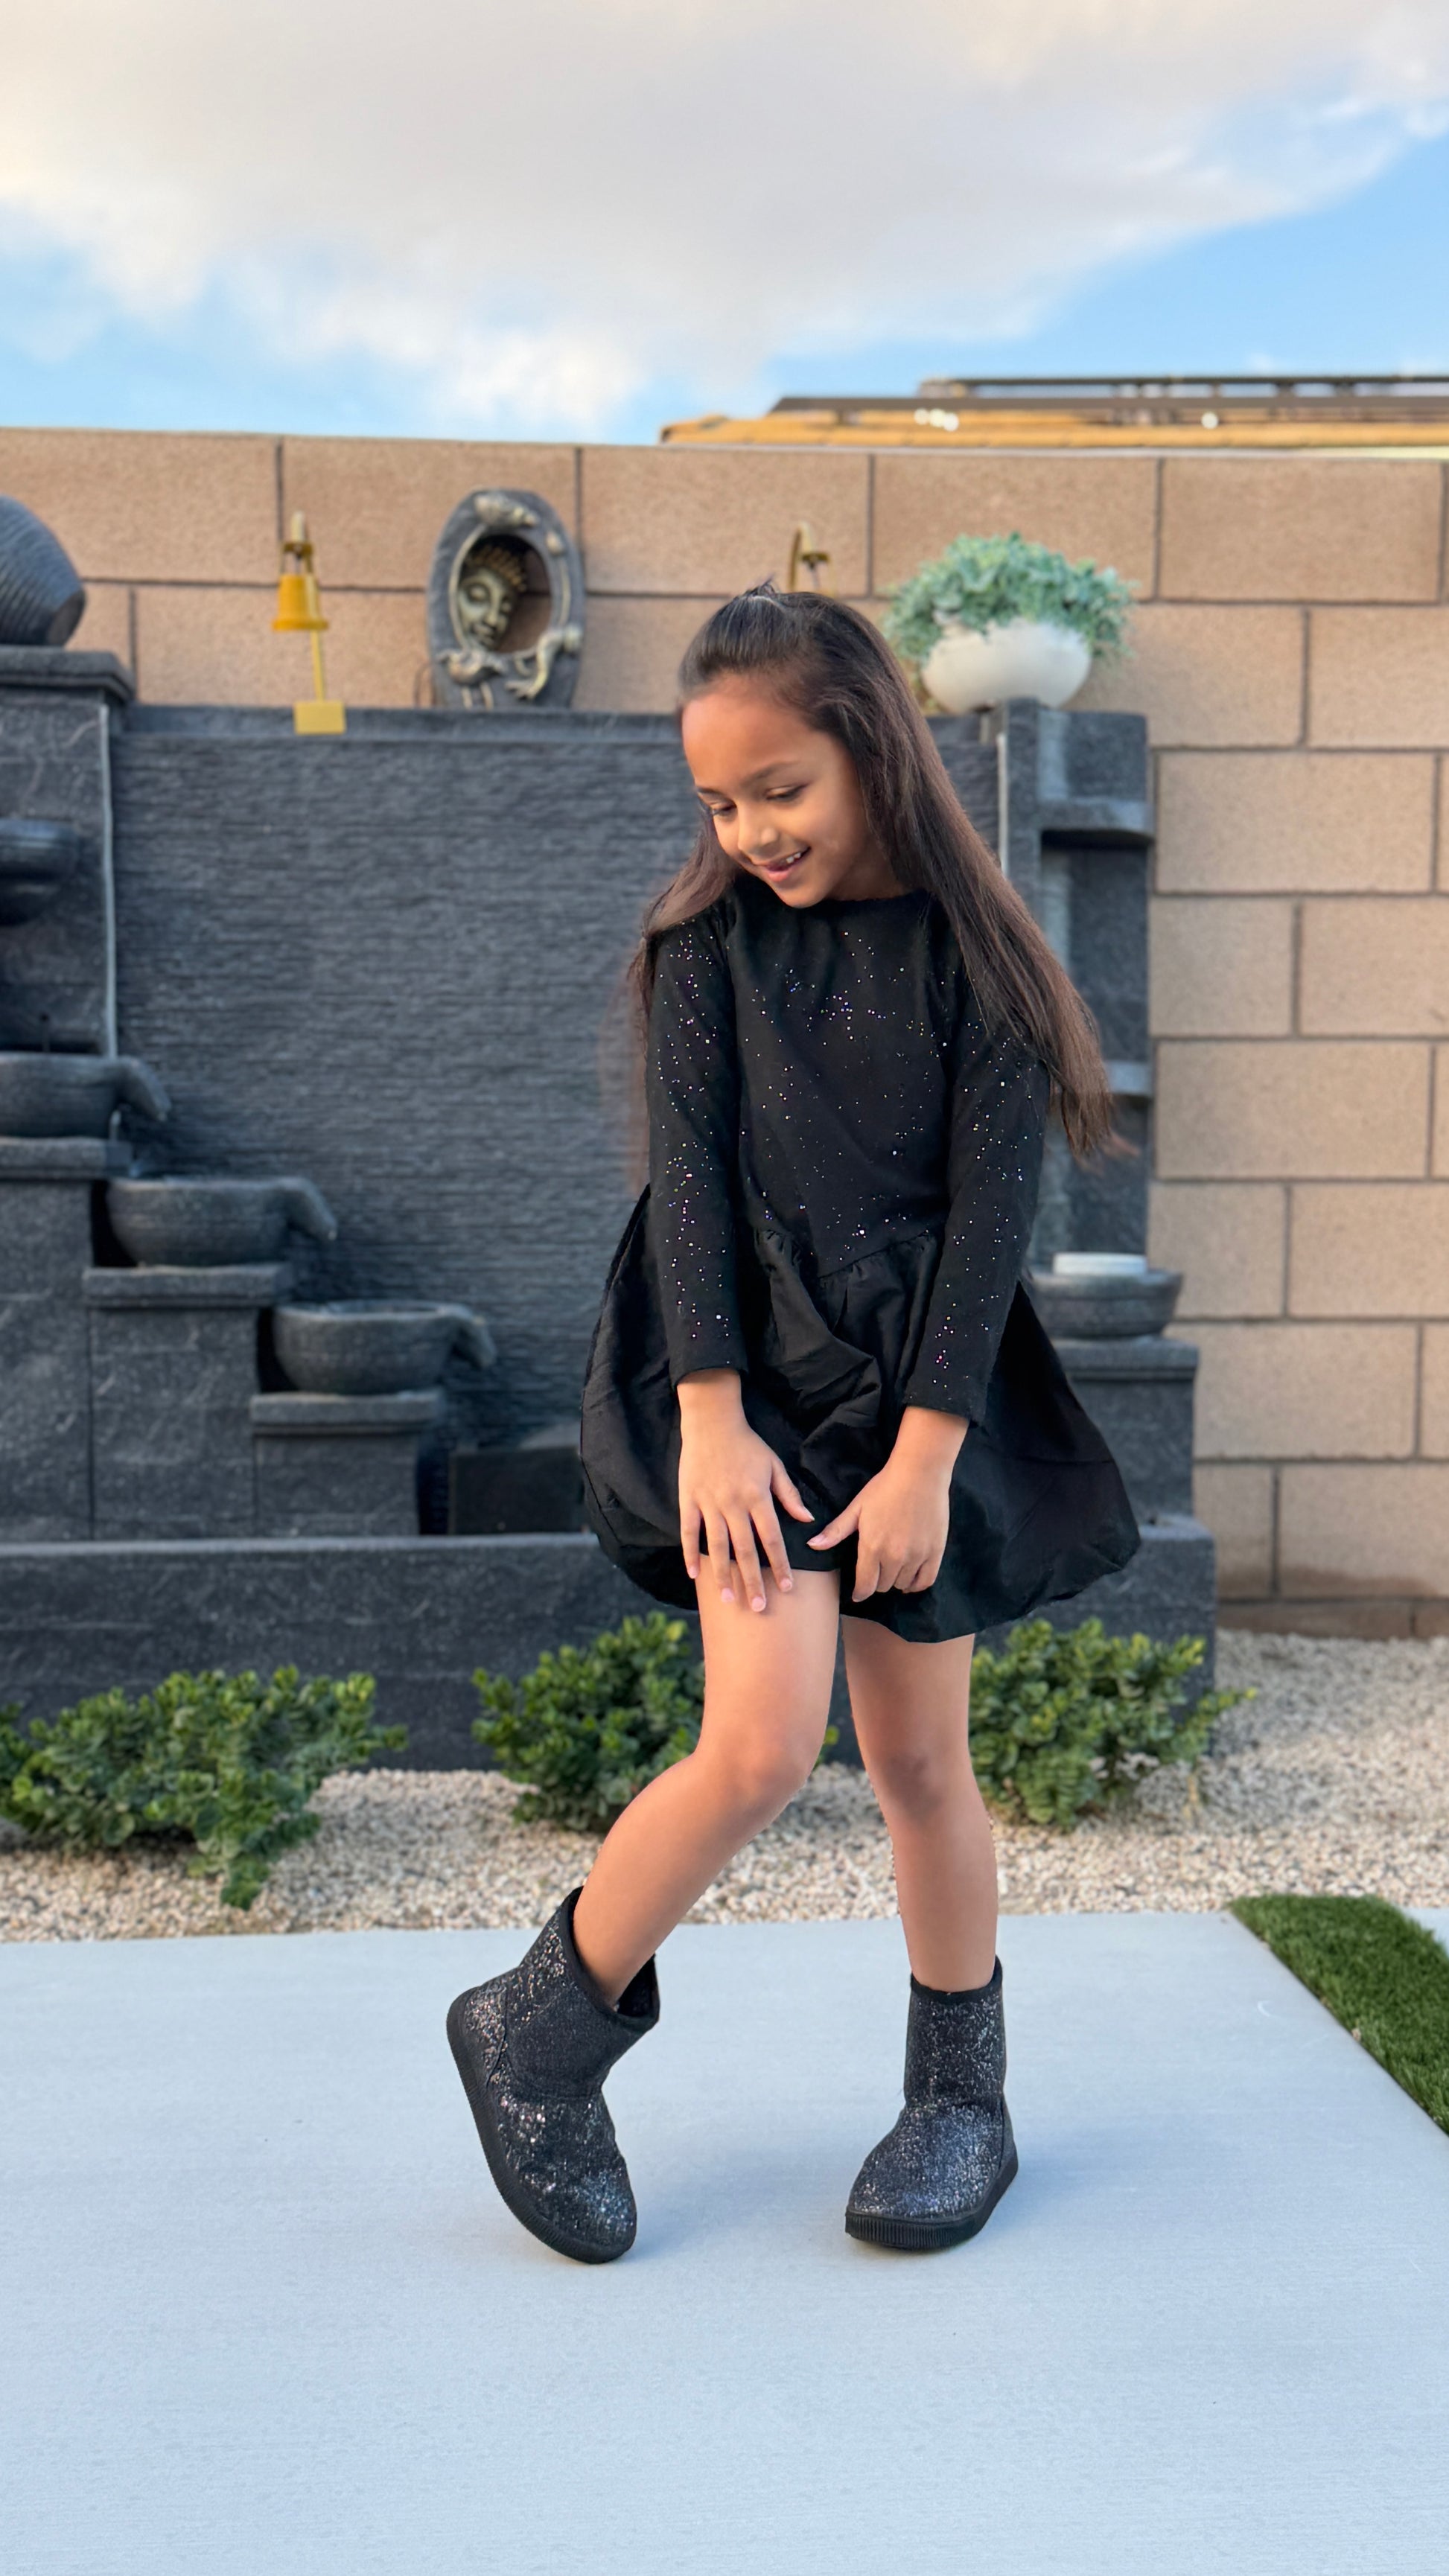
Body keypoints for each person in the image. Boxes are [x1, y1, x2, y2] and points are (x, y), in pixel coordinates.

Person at [447, 586, 1139, 2265]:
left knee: (919, 1762)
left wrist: (925, 1457)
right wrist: (709, 1418)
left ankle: (960, 2101)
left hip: (914, 1395)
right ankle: (535, 2031)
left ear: (871, 753)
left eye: (780, 789)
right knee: (759, 1747)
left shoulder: (979, 959)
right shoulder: (705, 955)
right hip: (746, 1389)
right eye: (718, 802)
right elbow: (685, 1188)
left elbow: (989, 1228)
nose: (750, 829)